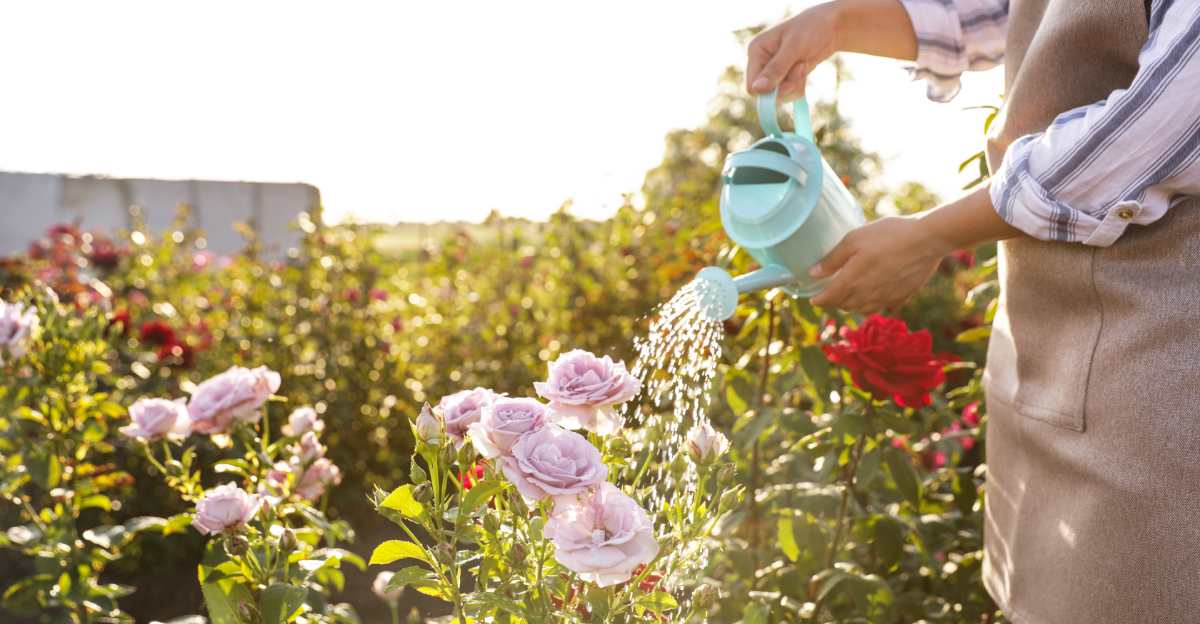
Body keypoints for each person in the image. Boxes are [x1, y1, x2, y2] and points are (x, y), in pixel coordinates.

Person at [746, 1, 1200, 622]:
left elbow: (1156, 127)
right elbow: (1003, 11)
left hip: (1157, 392)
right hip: (1047, 368)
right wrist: (838, 22)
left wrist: (930, 234)